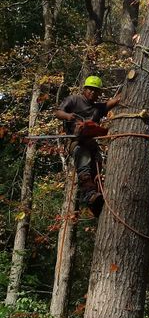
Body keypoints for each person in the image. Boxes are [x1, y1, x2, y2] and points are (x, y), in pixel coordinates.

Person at [55, 75, 121, 218]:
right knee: (83, 161)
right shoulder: (74, 100)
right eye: (90, 89)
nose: (93, 93)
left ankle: (96, 201)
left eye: (96, 91)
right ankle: (89, 195)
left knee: (97, 166)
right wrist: (68, 117)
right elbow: (58, 112)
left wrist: (125, 92)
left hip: (91, 143)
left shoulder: (98, 108)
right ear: (84, 89)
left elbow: (112, 102)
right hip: (76, 141)